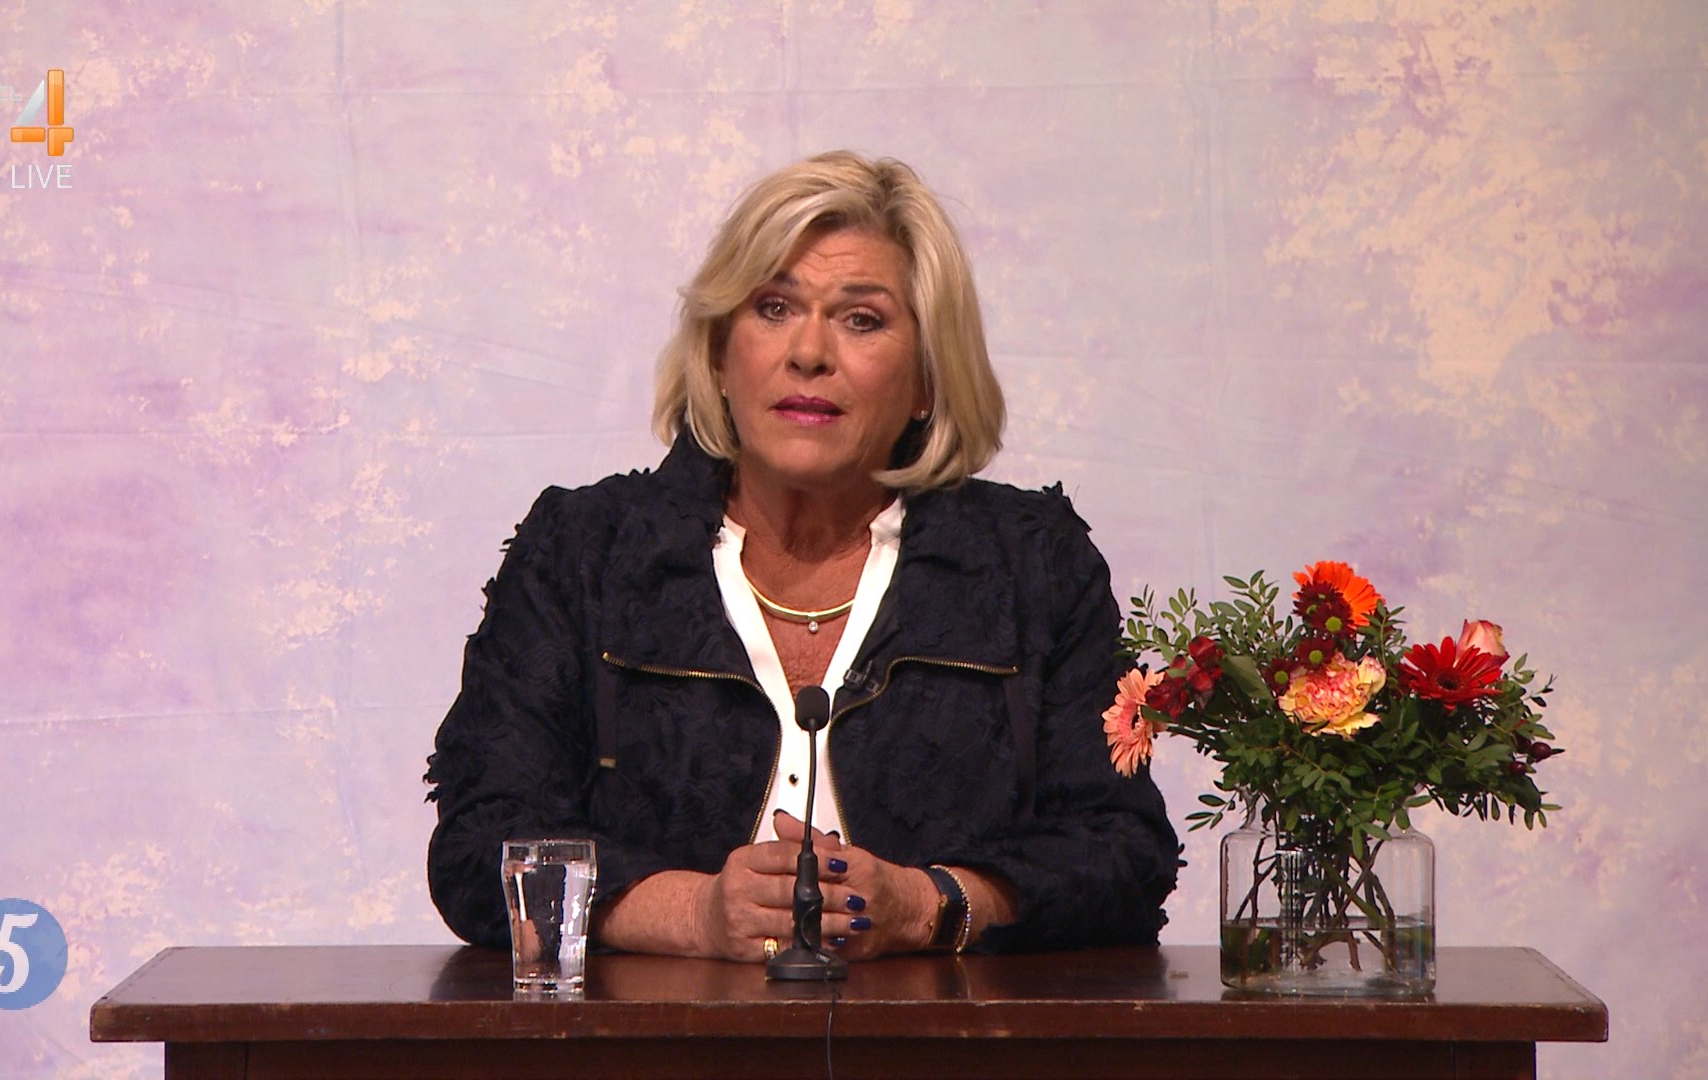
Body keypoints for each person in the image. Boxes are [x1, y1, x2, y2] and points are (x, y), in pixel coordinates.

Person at [425, 150, 1177, 962]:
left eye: (862, 320)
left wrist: (927, 904)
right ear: (720, 354)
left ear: (927, 380)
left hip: (941, 1033)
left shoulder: (1032, 564)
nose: (809, 352)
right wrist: (695, 914)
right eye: (775, 308)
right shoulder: (585, 552)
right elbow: (481, 848)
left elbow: (1122, 853)